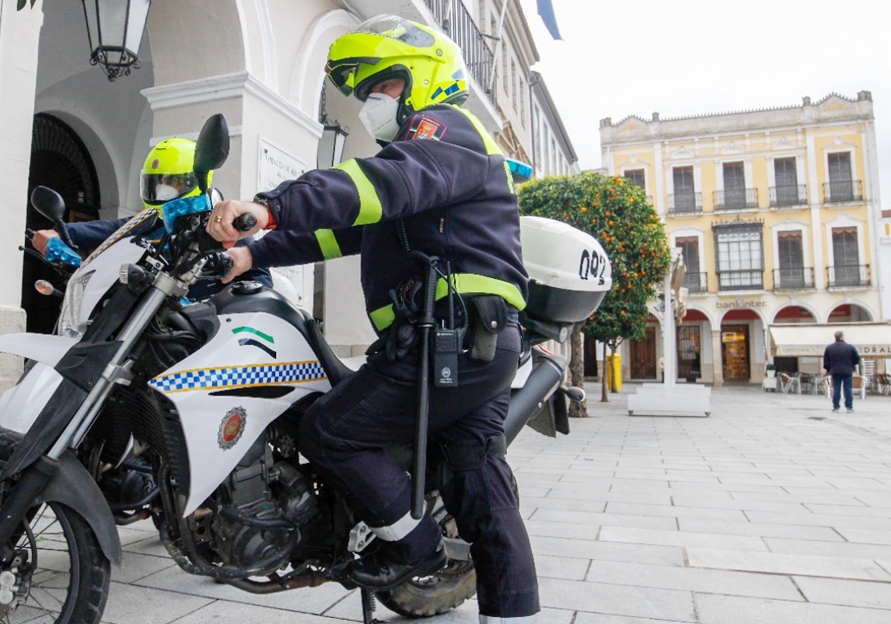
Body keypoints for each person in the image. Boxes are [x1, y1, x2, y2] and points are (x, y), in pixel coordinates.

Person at [206, 15, 538, 623]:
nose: (370, 105)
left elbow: (380, 182)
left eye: (379, 89)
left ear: (418, 82)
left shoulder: (446, 134)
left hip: (451, 339)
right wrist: (254, 252)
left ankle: (415, 548)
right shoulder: (427, 171)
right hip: (478, 343)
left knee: (330, 429)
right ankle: (512, 614)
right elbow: (341, 234)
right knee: (478, 478)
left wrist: (269, 207)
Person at [31, 137, 271, 299]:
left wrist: (230, 298)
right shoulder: (153, 221)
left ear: (196, 180)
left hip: (204, 333)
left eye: (172, 183)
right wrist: (61, 232)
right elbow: (114, 230)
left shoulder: (227, 227)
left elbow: (261, 286)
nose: (162, 192)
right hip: (148, 321)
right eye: (156, 184)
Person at [824, 330, 860, 413]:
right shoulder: (850, 347)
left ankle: (836, 407)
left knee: (836, 388)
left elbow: (826, 362)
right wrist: (851, 365)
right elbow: (857, 359)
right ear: (842, 337)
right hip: (847, 370)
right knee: (847, 389)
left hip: (835, 371)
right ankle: (849, 407)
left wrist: (829, 369)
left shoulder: (829, 348)